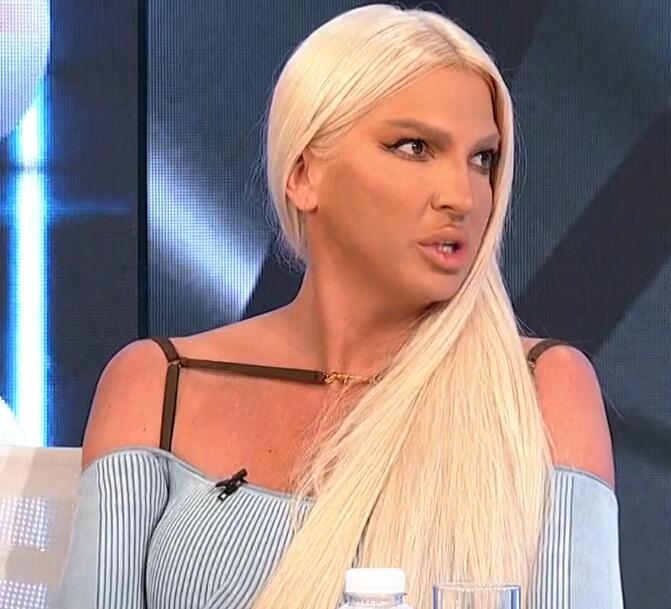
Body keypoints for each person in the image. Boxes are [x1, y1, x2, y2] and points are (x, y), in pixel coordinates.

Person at [57, 5, 623, 609]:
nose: (463, 196)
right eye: (414, 147)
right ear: (304, 174)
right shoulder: (159, 385)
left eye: (483, 159)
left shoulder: (538, 391)